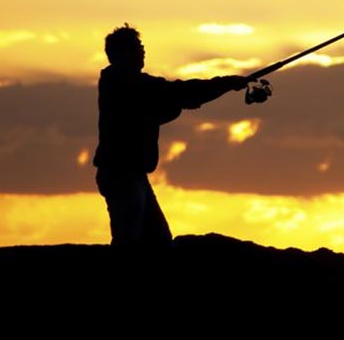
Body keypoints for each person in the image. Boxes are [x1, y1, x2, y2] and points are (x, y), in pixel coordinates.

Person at [94, 23, 248, 250]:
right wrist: (227, 84)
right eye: (137, 46)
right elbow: (179, 92)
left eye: (141, 45)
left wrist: (182, 103)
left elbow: (160, 108)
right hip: (122, 175)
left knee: (158, 242)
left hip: (131, 175)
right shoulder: (128, 83)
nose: (143, 50)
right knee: (128, 244)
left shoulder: (120, 84)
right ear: (122, 54)